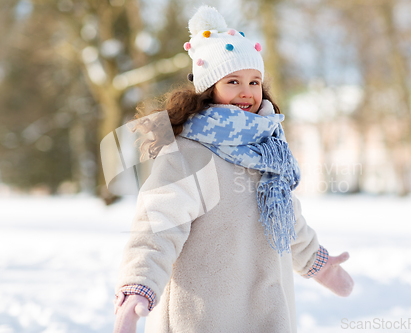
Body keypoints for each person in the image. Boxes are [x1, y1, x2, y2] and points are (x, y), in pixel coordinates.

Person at [113, 5, 353, 333]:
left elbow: (285, 219)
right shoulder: (187, 153)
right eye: (233, 81)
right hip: (203, 315)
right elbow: (158, 226)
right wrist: (138, 286)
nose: (247, 91)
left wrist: (318, 263)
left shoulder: (267, 151)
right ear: (210, 88)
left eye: (254, 81)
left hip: (266, 313)